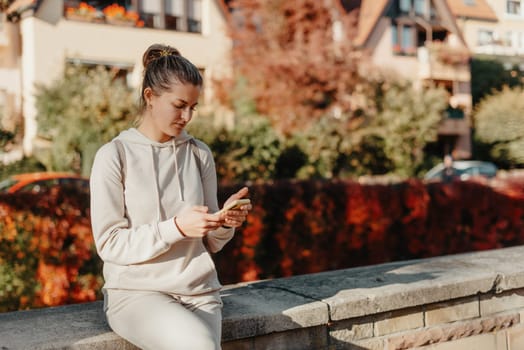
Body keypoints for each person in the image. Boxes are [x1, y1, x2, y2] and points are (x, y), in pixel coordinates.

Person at [89, 43, 251, 350]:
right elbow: (109, 243)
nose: (187, 116)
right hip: (136, 294)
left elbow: (213, 241)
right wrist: (175, 228)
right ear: (150, 97)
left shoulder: (199, 153)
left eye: (193, 107)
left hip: (200, 294)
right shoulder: (114, 156)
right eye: (179, 105)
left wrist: (225, 221)